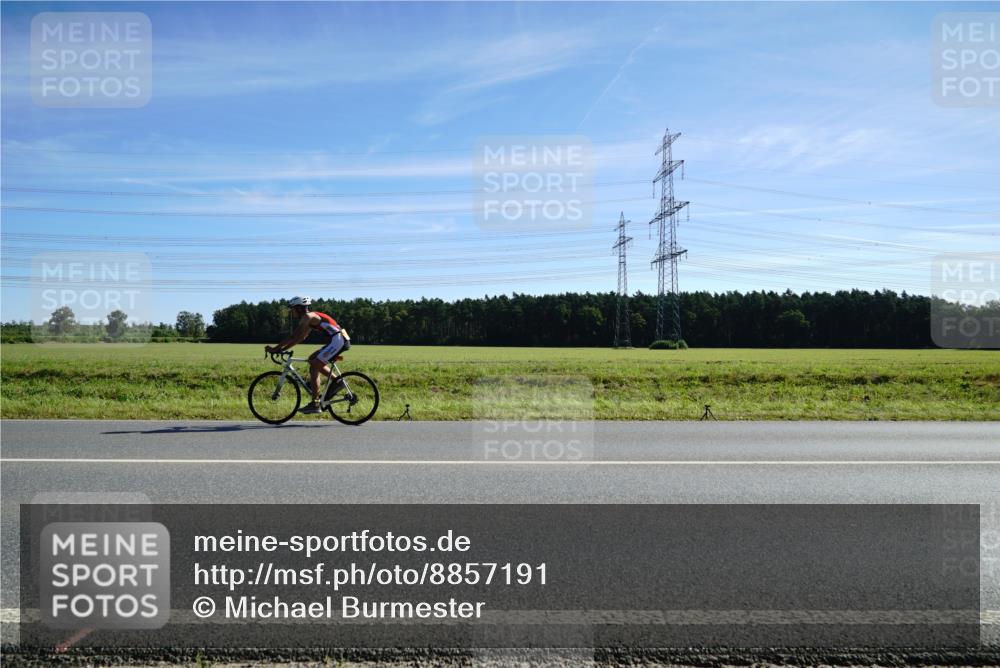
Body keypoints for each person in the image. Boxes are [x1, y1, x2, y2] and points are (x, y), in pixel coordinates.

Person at [265, 296, 349, 414]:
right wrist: (282, 349)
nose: (292, 311)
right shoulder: (310, 318)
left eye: (293, 309)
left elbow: (293, 337)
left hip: (338, 341)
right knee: (312, 359)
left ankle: (315, 404)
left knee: (314, 365)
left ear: (299, 308)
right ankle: (337, 382)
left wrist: (275, 349)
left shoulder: (308, 317)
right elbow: (300, 338)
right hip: (337, 340)